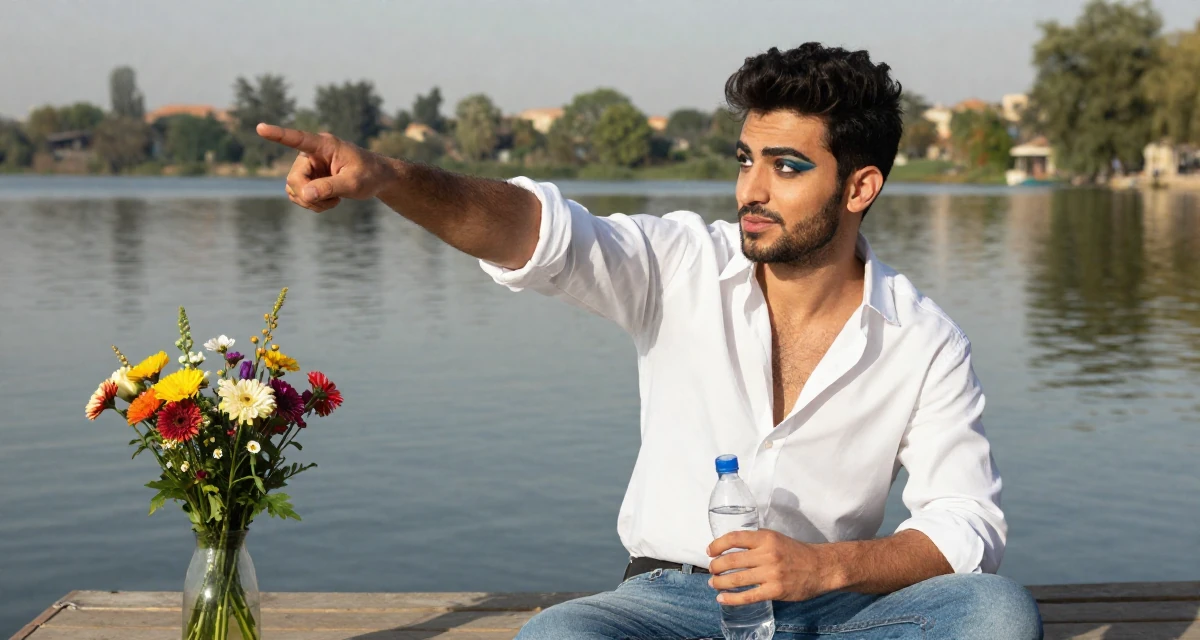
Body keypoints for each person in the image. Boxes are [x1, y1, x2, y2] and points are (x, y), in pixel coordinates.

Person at [258, 42, 1043, 640]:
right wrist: (391, 176)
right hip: (668, 606)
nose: (751, 190)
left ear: (859, 187)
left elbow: (965, 523)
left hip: (830, 612)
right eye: (746, 160)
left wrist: (824, 567)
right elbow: (537, 235)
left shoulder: (922, 338)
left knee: (996, 614)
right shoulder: (679, 264)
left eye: (787, 166)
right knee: (557, 636)